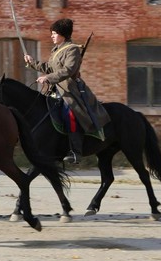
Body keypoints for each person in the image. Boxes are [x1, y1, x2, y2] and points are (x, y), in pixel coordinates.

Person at [24, 18, 110, 164]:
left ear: (62, 34)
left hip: (70, 91)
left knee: (69, 113)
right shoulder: (56, 51)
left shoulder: (72, 49)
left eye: (54, 33)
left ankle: (75, 152)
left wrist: (48, 78)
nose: (52, 36)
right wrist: (32, 63)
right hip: (55, 90)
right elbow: (49, 68)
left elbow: (68, 70)